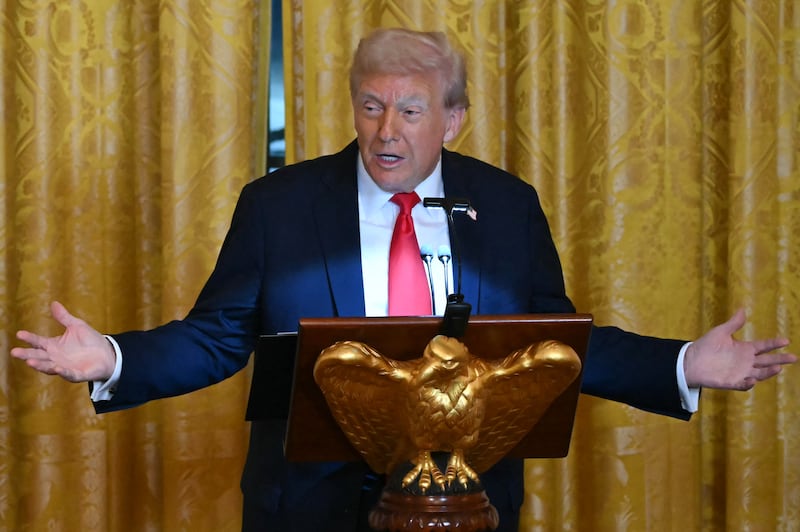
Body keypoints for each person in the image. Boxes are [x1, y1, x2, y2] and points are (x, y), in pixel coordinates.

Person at [11, 28, 795, 532]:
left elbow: (549, 343)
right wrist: (111, 358)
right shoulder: (278, 206)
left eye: (411, 111)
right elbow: (217, 339)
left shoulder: (507, 206)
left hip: (466, 505)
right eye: (372, 107)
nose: (388, 131)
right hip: (307, 506)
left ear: (452, 119)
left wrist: (685, 364)